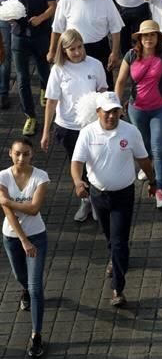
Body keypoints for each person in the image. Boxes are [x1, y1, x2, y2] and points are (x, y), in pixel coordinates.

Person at [71, 92, 156, 308]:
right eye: (106, 111)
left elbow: (143, 159)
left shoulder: (130, 132)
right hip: (98, 195)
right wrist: (78, 182)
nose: (111, 115)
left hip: (123, 194)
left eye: (115, 111)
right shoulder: (88, 133)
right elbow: (77, 162)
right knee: (109, 235)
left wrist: (153, 181)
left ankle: (118, 288)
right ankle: (115, 258)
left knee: (119, 240)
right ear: (98, 112)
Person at [115, 20, 162, 211]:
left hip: (160, 109)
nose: (148, 38)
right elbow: (120, 82)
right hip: (137, 109)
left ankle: (160, 189)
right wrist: (116, 105)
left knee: (159, 147)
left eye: (152, 35)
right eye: (145, 35)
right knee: (145, 145)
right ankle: (147, 167)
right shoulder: (130, 56)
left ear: (157, 38)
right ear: (139, 38)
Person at [42, 28, 107, 222]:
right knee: (77, 164)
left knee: (94, 164)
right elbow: (51, 101)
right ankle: (85, 200)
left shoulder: (95, 65)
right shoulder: (58, 70)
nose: (77, 52)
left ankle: (96, 201)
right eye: (72, 49)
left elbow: (103, 90)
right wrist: (46, 131)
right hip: (68, 127)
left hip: (92, 126)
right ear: (64, 50)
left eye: (79, 47)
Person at [0, 138, 49, 359]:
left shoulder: (41, 177)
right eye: (18, 153)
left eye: (26, 154)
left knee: (36, 286)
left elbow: (33, 209)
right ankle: (25, 290)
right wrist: (23, 240)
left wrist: (8, 201)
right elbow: (9, 214)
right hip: (12, 238)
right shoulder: (2, 177)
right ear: (10, 153)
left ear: (32, 155)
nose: (21, 158)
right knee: (21, 276)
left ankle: (36, 335)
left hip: (37, 237)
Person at [7, 0, 57, 137]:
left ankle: (48, 96)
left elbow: (53, 6)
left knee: (45, 72)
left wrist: (41, 18)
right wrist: (9, 16)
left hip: (41, 35)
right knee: (22, 78)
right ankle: (30, 116)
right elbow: (6, 5)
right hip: (19, 36)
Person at [49, 0, 123, 84]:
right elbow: (57, 27)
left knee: (103, 86)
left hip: (100, 49)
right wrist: (52, 50)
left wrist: (114, 53)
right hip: (74, 50)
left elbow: (115, 27)